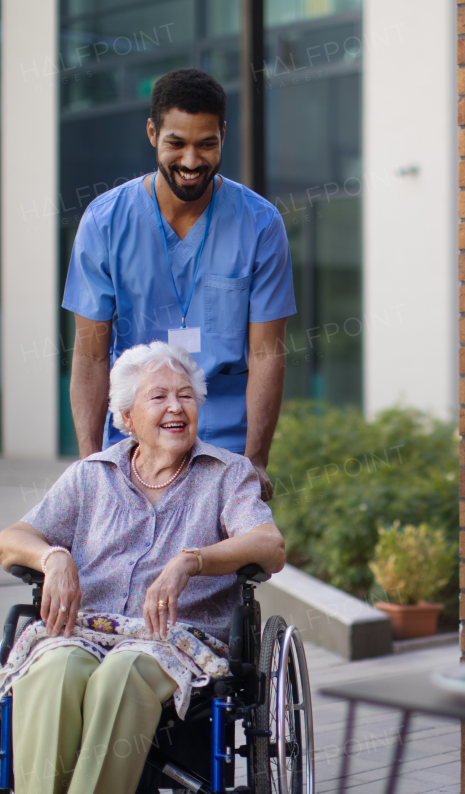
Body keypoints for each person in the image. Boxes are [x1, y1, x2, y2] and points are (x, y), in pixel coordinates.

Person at [0, 342, 285, 794]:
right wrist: (53, 558)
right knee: (52, 669)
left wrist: (192, 559)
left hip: (175, 640)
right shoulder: (91, 477)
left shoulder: (226, 474)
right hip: (87, 631)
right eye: (160, 397)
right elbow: (10, 539)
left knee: (124, 671)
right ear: (126, 416)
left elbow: (269, 544)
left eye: (187, 396)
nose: (177, 407)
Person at [65, 67, 294, 502]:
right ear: (152, 133)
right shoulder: (105, 221)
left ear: (224, 134)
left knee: (217, 566)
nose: (191, 161)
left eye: (207, 144)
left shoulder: (260, 223)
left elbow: (267, 352)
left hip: (223, 446)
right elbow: (90, 353)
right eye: (177, 143)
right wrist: (89, 463)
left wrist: (255, 460)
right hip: (134, 441)